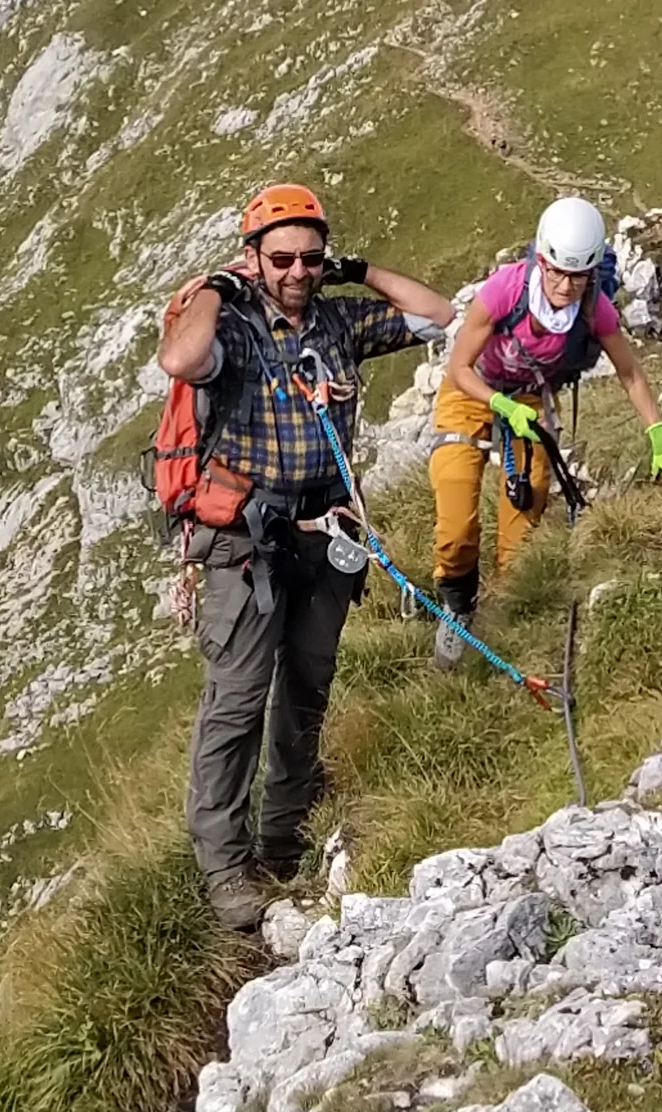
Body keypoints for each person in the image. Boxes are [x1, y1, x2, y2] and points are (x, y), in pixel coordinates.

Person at [157, 182, 455, 930]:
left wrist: (354, 268)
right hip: (243, 544)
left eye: (310, 257)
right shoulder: (230, 325)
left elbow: (440, 315)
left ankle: (284, 839)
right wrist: (217, 287)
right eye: (281, 257)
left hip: (325, 536)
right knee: (237, 699)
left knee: (308, 686)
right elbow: (182, 358)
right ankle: (226, 869)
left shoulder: (338, 321)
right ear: (254, 257)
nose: (297, 271)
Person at [430, 195, 662, 667]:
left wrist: (659, 434)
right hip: (473, 390)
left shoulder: (594, 309)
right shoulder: (504, 291)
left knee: (523, 523)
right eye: (556, 272)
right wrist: (499, 403)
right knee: (455, 517)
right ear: (541, 259)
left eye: (578, 276)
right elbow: (459, 366)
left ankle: (505, 612)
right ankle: (456, 600)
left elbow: (630, 373)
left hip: (531, 397)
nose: (565, 286)